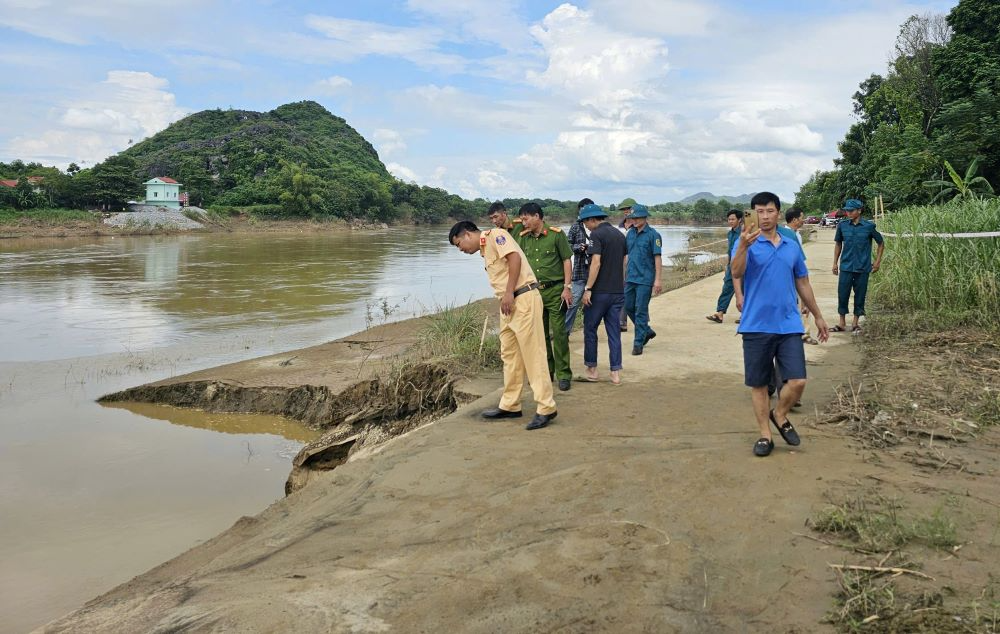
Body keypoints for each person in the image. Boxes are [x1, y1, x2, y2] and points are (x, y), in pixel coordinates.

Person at [730, 192, 829, 457]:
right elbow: (736, 272)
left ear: (778, 212)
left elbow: (803, 282)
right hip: (755, 325)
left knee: (797, 381)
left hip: (788, 324)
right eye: (759, 212)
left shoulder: (791, 245)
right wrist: (742, 247)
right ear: (753, 214)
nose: (764, 217)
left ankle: (780, 414)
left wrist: (818, 315)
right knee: (760, 384)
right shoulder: (746, 244)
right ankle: (765, 435)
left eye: (769, 211)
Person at [448, 220, 557, 430]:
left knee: (533, 354)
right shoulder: (484, 249)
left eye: (458, 243)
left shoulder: (496, 235)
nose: (460, 249)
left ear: (467, 234)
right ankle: (510, 404)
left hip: (522, 298)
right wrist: (506, 297)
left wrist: (508, 292)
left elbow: (514, 258)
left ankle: (546, 407)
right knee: (510, 355)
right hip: (508, 305)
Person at [514, 202, 574, 391]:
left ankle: (564, 374)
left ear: (537, 217)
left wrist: (567, 287)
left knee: (559, 333)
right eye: (522, 219)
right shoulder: (523, 238)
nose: (523, 223)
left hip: (556, 291)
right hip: (534, 292)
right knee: (540, 336)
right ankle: (547, 371)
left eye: (526, 219)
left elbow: (566, 260)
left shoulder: (556, 235)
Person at [578, 204, 627, 384]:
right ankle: (615, 372)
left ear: (593, 220)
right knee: (614, 332)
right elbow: (624, 261)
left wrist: (588, 289)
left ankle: (592, 369)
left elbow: (596, 263)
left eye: (586, 223)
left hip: (599, 292)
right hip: (617, 291)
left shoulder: (596, 235)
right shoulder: (619, 235)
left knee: (590, 329)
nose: (586, 226)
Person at [832, 199, 884, 334]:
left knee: (860, 294)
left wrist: (877, 262)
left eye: (851, 210)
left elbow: (881, 243)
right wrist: (834, 263)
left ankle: (855, 323)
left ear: (859, 211)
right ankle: (842, 323)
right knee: (842, 294)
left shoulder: (868, 227)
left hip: (863, 267)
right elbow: (838, 244)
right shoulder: (842, 226)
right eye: (847, 210)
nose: (848, 213)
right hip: (846, 266)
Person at [623, 203, 662, 355]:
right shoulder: (630, 234)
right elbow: (626, 255)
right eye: (633, 217)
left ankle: (638, 343)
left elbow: (657, 258)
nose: (635, 220)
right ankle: (646, 330)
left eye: (638, 217)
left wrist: (658, 280)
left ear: (645, 218)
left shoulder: (653, 235)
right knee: (628, 306)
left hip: (645, 279)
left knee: (640, 310)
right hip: (631, 277)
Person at [784, 207, 817, 345]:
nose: (803, 220)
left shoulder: (795, 234)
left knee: (803, 304)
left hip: (796, 273)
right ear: (795, 219)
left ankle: (804, 332)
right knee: (800, 303)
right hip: (791, 275)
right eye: (802, 217)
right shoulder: (788, 234)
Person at [706, 209, 743, 324]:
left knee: (745, 289)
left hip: (743, 265)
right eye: (729, 219)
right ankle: (720, 313)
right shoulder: (730, 233)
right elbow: (730, 251)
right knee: (727, 288)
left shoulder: (744, 232)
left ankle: (746, 315)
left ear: (739, 220)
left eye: (733, 219)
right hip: (731, 266)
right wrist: (728, 265)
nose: (730, 221)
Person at [565, 197, 594, 335]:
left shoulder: (598, 227)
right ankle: (565, 332)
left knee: (592, 305)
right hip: (579, 271)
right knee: (573, 303)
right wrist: (578, 247)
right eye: (584, 209)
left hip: (595, 272)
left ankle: (589, 332)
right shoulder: (576, 227)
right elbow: (566, 246)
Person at [616, 197, 637, 332]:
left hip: (636, 262)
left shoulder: (638, 226)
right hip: (622, 261)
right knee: (623, 291)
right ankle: (622, 322)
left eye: (628, 209)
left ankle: (642, 319)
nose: (626, 212)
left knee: (637, 292)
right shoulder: (619, 227)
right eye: (624, 209)